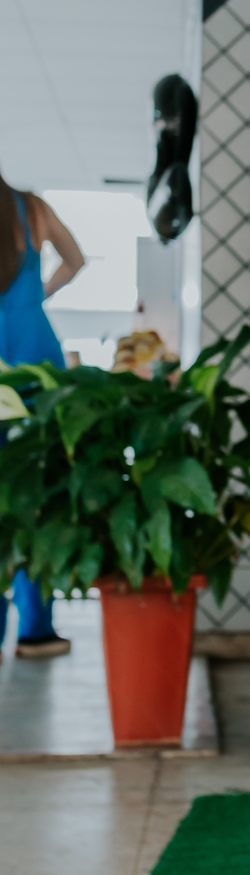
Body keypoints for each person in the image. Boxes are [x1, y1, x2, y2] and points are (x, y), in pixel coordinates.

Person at [0, 175, 85, 658]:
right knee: (37, 499)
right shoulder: (31, 208)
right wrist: (35, 298)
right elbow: (75, 261)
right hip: (36, 358)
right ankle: (36, 630)